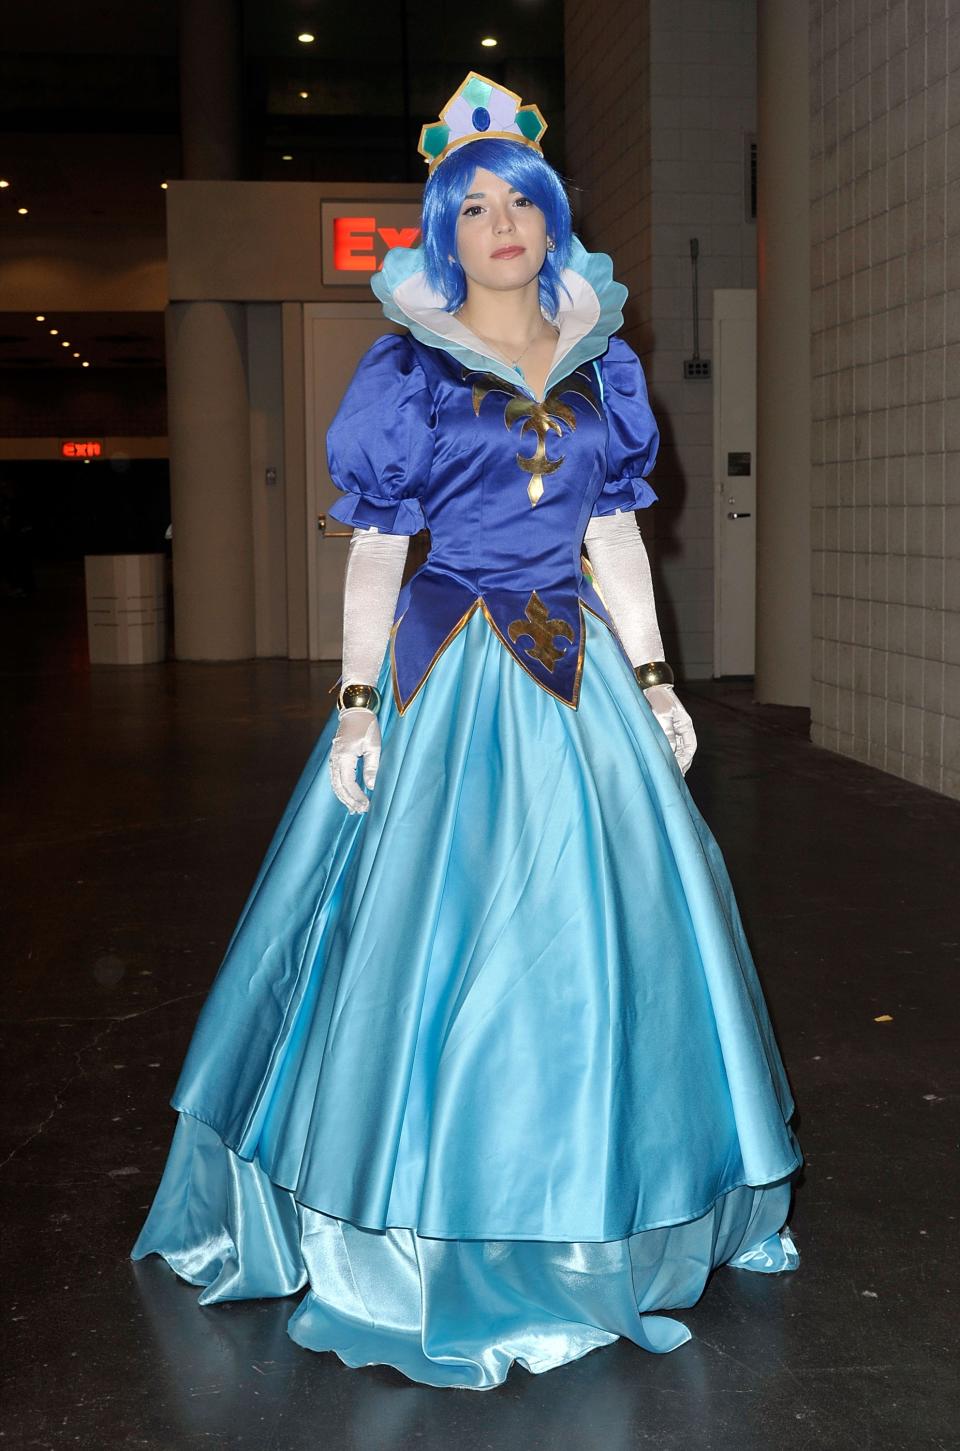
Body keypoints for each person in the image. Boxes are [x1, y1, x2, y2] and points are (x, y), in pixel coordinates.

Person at [132, 72, 802, 1391]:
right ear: (446, 232)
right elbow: (379, 554)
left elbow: (613, 531)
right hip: (451, 668)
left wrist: (658, 679)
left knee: (606, 947)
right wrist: (360, 701)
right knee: (431, 948)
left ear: (552, 217)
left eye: (521, 199)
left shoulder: (606, 363)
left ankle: (592, 1225)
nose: (502, 220)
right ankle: (418, 1227)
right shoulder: (407, 371)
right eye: (474, 204)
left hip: (578, 676)